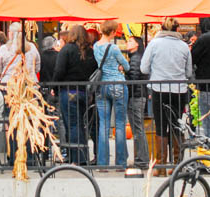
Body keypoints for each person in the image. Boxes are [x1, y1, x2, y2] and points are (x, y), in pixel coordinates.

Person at [141, 17, 193, 175]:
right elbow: (189, 72)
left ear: (162, 28)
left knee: (161, 126)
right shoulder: (184, 46)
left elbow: (143, 68)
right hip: (179, 90)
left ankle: (161, 166)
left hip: (159, 89)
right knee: (177, 125)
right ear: (178, 29)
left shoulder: (154, 44)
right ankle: (177, 164)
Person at [54, 24, 97, 165]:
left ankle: (76, 158)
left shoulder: (67, 50)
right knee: (80, 124)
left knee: (72, 124)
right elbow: (93, 70)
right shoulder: (89, 52)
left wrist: (54, 86)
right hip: (84, 91)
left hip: (68, 90)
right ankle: (82, 156)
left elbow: (59, 71)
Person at [93, 20, 130, 169]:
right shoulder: (114, 48)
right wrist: (120, 67)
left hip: (102, 85)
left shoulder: (96, 46)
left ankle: (103, 162)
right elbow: (126, 65)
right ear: (113, 32)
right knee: (120, 124)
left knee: (104, 125)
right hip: (117, 84)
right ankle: (121, 162)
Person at [125, 35, 150, 169]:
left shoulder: (135, 59)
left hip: (135, 96)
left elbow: (133, 78)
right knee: (138, 128)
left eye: (130, 41)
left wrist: (124, 75)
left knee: (137, 128)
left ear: (137, 45)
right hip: (139, 95)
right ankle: (142, 157)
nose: (127, 43)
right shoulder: (137, 58)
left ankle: (142, 158)